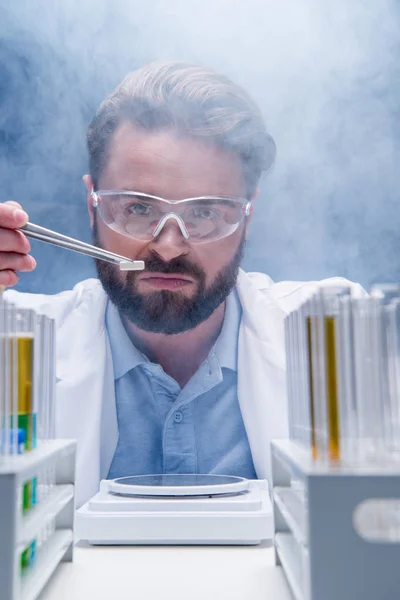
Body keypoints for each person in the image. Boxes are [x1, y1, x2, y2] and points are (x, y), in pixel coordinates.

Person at [0, 62, 360, 507]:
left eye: (206, 212)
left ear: (249, 215)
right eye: (137, 208)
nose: (169, 247)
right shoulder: (14, 348)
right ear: (92, 205)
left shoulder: (338, 337)